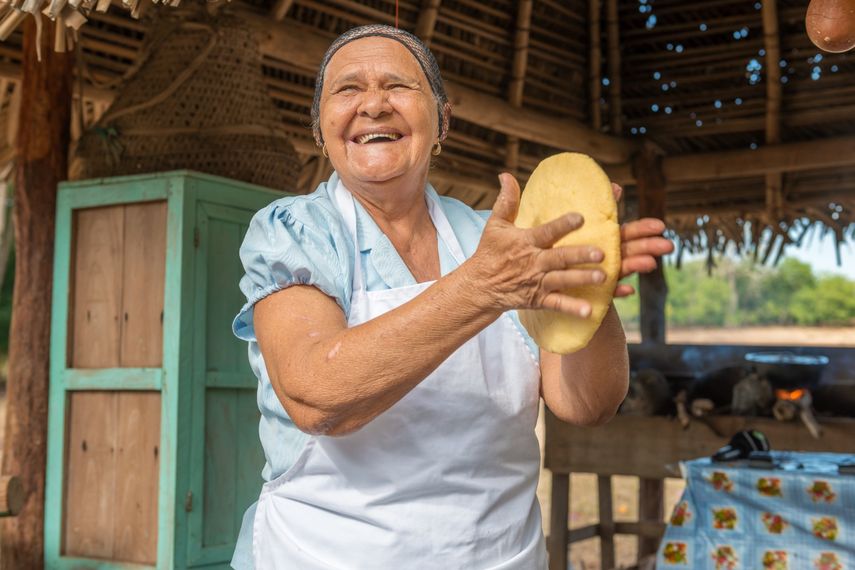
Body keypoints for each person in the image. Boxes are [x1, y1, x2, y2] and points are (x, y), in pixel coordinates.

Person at [231, 24, 673, 570]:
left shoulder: (501, 238)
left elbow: (586, 404)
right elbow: (317, 396)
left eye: (398, 86)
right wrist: (482, 289)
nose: (373, 104)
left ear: (442, 120)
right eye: (346, 90)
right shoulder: (294, 233)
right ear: (321, 129)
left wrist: (590, 282)